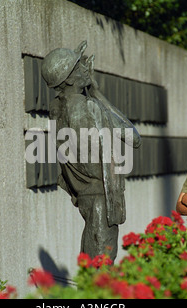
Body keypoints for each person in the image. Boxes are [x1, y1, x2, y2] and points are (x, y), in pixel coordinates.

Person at [41, 41, 141, 261]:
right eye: (79, 66)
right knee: (101, 271)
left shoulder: (60, 108)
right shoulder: (85, 107)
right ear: (67, 78)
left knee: (92, 266)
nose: (86, 68)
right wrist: (96, 93)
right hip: (100, 199)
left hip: (88, 197)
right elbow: (133, 137)